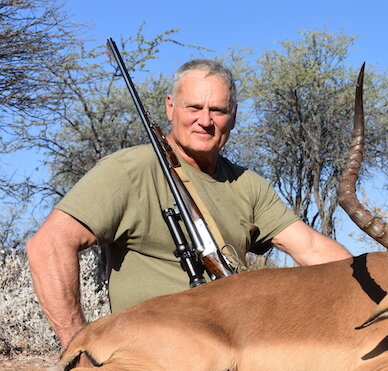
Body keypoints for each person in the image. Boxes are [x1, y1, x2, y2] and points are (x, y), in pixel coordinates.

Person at [27, 59, 352, 350]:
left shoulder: (245, 183)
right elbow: (49, 245)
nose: (205, 121)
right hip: (153, 349)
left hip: (237, 342)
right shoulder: (130, 169)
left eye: (218, 111)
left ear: (233, 117)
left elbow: (310, 246)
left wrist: (382, 283)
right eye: (193, 107)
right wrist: (76, 348)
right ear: (171, 108)